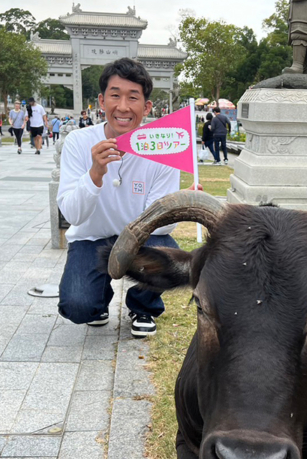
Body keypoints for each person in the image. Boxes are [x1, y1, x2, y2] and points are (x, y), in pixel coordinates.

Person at [57, 58, 200, 338]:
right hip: (90, 238)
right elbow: (73, 216)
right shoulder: (78, 142)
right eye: (115, 96)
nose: (123, 107)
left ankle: (142, 305)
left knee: (166, 249)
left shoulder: (162, 147)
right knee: (77, 307)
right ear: (101, 101)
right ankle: (97, 301)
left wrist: (177, 204)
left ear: (146, 107)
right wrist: (95, 173)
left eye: (133, 98)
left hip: (144, 239)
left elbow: (162, 225)